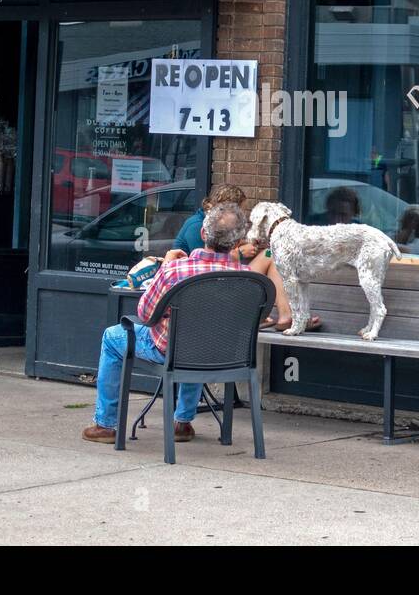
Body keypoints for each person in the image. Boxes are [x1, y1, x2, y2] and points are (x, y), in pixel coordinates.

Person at [83, 203, 251, 445]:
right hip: (223, 354)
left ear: (203, 234)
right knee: (200, 337)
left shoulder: (176, 270)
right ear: (237, 243)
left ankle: (106, 425)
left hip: (170, 350)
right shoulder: (246, 277)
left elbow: (146, 313)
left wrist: (165, 266)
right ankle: (182, 422)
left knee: (112, 337)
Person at [166, 183, 321, 331]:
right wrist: (240, 253)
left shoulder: (215, 225)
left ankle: (285, 316)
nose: (242, 214)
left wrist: (246, 246)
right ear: (227, 208)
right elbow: (205, 267)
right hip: (202, 291)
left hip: (221, 286)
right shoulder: (197, 225)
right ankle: (254, 316)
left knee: (271, 254)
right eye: (239, 208)